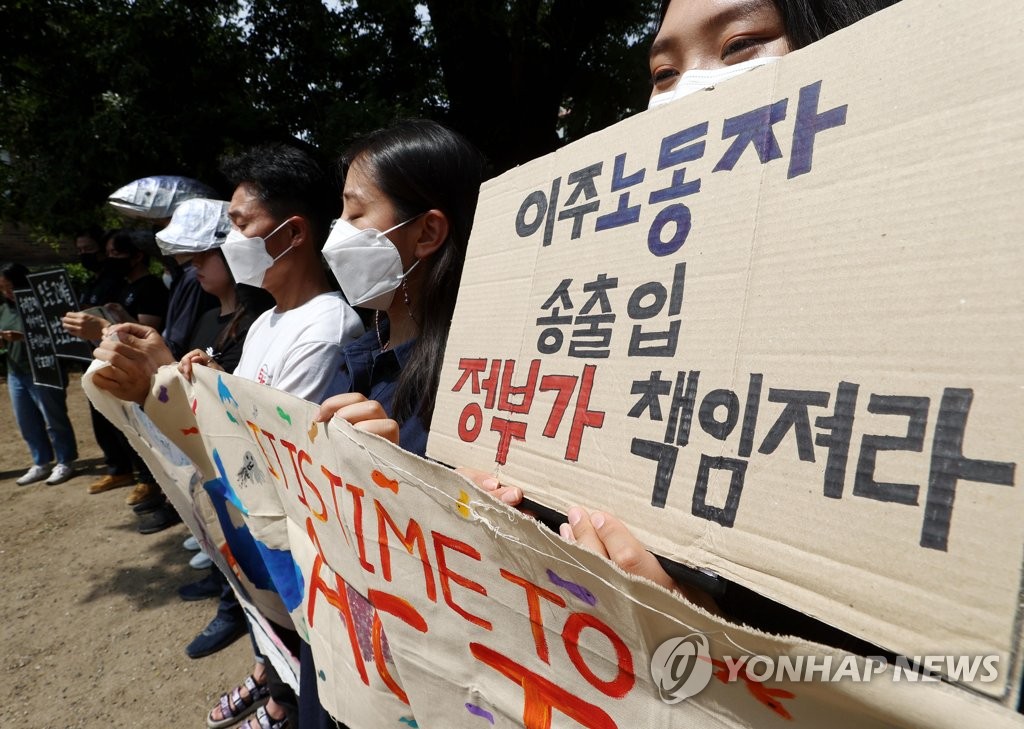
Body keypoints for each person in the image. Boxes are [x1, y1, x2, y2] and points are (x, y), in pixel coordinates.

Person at [94, 142, 364, 729]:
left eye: (240, 224)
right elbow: (236, 419)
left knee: (301, 635)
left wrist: (170, 376)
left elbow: (260, 450)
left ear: (292, 234)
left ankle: (288, 701)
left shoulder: (327, 326)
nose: (229, 240)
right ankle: (278, 686)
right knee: (269, 622)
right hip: (248, 525)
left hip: (284, 529)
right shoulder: (267, 319)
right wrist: (210, 384)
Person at [303, 118, 485, 729]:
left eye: (356, 214)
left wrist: (402, 476)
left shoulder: (477, 386)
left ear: (428, 232)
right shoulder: (359, 355)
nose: (337, 237)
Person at [0, 263, 79, 486]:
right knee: (27, 422)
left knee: (53, 418)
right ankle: (41, 462)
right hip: (16, 372)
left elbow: (57, 333)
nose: (6, 292)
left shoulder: (42, 304)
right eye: (2, 288)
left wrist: (23, 337)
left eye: (9, 287)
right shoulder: (5, 309)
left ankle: (65, 460)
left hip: (44, 369)